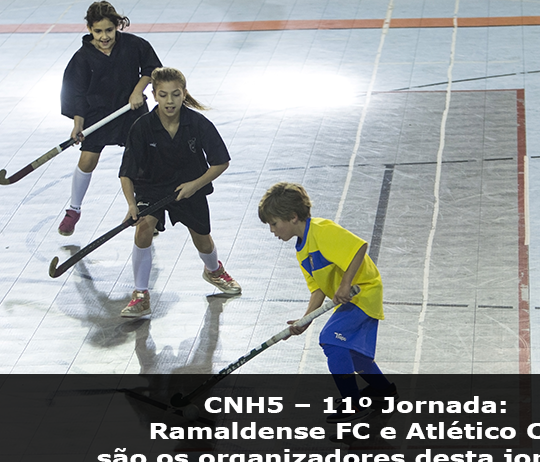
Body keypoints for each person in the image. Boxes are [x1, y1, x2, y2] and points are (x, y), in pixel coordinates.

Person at [258, 182, 397, 423]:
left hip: (364, 291)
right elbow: (319, 289)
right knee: (353, 353)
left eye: (274, 223)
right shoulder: (302, 250)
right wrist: (305, 320)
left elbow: (359, 247)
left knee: (331, 339)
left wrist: (345, 284)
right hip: (351, 299)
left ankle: (353, 404)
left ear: (292, 217)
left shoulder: (322, 230)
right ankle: (384, 391)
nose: (272, 230)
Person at [118, 67, 241, 318]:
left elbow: (221, 162)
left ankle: (213, 270)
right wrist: (132, 205)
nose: (170, 101)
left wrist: (194, 185)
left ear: (184, 93)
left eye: (175, 94)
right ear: (154, 95)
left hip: (190, 187)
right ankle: (141, 295)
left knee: (203, 240)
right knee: (143, 229)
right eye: (163, 95)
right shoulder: (142, 127)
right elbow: (126, 173)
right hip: (151, 188)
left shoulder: (198, 124)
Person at [59, 1, 162, 236]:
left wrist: (138, 91)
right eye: (98, 31)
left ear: (117, 27)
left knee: (142, 160)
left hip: (131, 111)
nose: (104, 36)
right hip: (98, 114)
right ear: (89, 29)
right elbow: (76, 93)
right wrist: (78, 124)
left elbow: (152, 68)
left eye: (109, 30)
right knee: (87, 160)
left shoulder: (134, 45)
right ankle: (74, 210)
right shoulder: (82, 58)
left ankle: (146, 210)